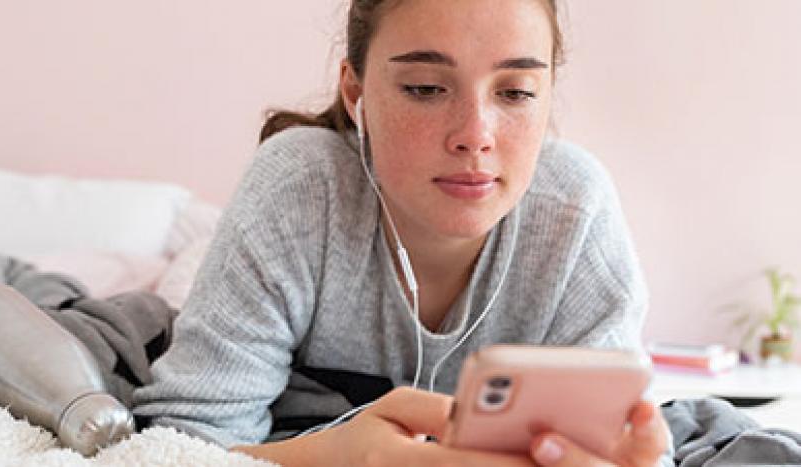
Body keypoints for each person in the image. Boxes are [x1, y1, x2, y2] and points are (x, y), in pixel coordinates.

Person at [133, 0, 670, 465]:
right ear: (354, 91)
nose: (475, 136)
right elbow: (181, 444)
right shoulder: (300, 189)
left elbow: (622, 441)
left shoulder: (574, 212)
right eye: (426, 88)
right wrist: (335, 457)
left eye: (516, 93)